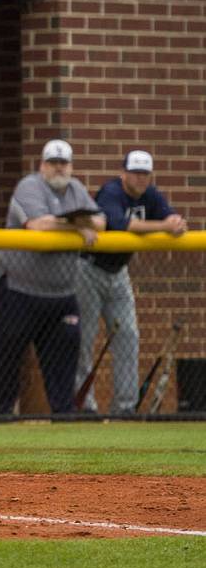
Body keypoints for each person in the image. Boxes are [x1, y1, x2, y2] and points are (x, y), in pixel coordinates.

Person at [0, 139, 103, 416]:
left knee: (64, 358)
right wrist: (76, 224)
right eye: (53, 163)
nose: (59, 168)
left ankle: (63, 418)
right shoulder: (29, 186)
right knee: (7, 355)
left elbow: (100, 222)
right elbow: (37, 225)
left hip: (61, 293)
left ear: (71, 166)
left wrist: (71, 223)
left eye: (64, 163)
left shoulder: (76, 189)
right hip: (16, 287)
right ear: (42, 165)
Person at [76, 150, 186, 414]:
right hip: (89, 270)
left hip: (119, 272)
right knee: (85, 339)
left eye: (144, 173)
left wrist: (175, 222)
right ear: (123, 173)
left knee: (128, 336)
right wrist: (163, 226)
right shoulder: (111, 191)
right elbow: (117, 224)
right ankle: (84, 407)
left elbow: (171, 217)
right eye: (135, 173)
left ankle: (124, 408)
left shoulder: (151, 194)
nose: (140, 178)